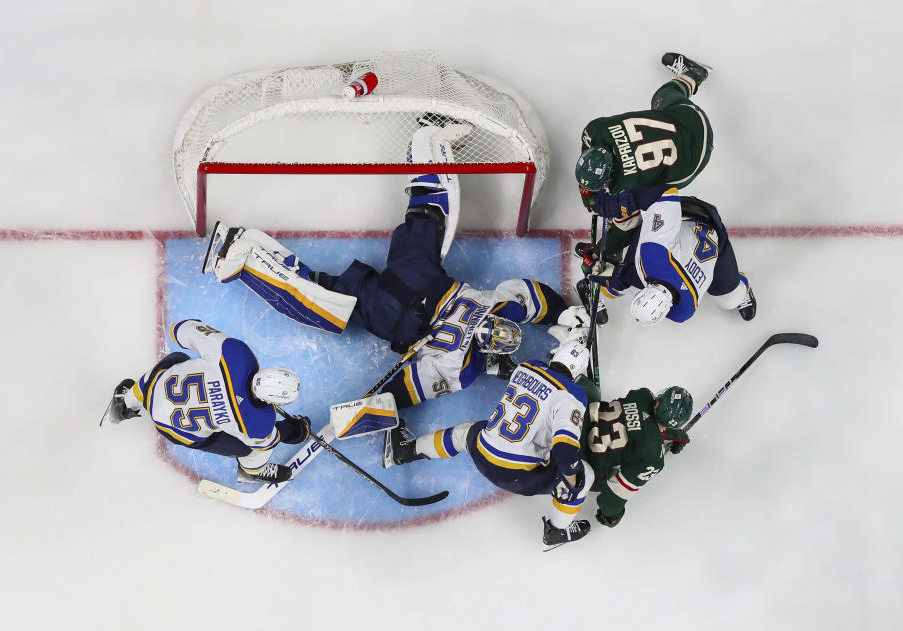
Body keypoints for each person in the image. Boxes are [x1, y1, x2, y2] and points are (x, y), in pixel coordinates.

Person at [204, 120, 569, 409]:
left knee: (430, 212)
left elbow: (534, 296)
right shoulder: (462, 369)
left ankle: (429, 137)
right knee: (316, 299)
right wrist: (374, 406)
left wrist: (564, 316)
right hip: (389, 314)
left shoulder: (500, 305)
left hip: (420, 274)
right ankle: (239, 255)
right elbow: (408, 390)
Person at [383, 335, 597, 550]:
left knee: (464, 433)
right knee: (583, 475)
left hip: (484, 453)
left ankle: (406, 451)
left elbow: (545, 375)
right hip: (519, 476)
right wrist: (570, 480)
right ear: (577, 376)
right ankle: (556, 531)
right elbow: (564, 451)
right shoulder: (573, 395)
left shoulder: (527, 367)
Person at [99, 319, 312, 483]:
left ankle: (126, 402)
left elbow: (180, 329)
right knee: (251, 449)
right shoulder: (258, 422)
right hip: (173, 428)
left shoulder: (236, 354)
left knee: (173, 365)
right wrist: (295, 430)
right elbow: (271, 439)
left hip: (158, 387)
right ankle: (251, 472)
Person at [577, 194, 756, 325]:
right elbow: (663, 194)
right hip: (691, 227)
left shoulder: (683, 312)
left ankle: (619, 225)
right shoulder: (653, 257)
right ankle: (621, 224)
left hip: (705, 227)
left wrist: (607, 270)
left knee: (731, 298)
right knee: (617, 284)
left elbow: (662, 193)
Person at [575, 52, 714, 215]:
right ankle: (693, 75)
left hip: (694, 162)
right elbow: (589, 146)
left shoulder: (624, 185)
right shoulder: (595, 129)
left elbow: (626, 215)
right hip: (693, 120)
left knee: (657, 191)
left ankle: (696, 73)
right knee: (661, 98)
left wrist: (602, 204)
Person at [581, 385, 693, 529]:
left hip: (573, 422)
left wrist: (668, 434)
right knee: (610, 476)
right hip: (582, 460)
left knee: (590, 391)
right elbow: (612, 498)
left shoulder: (642, 395)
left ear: (658, 403)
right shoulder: (653, 458)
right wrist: (609, 516)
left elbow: (639, 423)